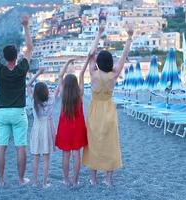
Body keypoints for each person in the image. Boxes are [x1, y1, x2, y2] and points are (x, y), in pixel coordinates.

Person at [82, 24, 134, 186]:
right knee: (110, 143)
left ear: (98, 61)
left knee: (93, 143)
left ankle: (92, 178)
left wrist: (98, 33)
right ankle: (108, 179)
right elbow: (124, 56)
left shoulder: (93, 73)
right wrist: (129, 38)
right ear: (110, 62)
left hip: (95, 110)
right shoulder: (113, 75)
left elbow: (91, 53)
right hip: (109, 110)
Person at [0, 14, 33, 187]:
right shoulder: (21, 69)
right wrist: (26, 26)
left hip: (2, 113)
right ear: (16, 57)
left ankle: (1, 180)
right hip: (19, 112)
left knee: (1, 146)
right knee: (20, 146)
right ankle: (21, 179)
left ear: (4, 57)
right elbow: (29, 47)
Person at [54, 56, 91, 187]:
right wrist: (87, 60)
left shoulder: (63, 93)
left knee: (65, 154)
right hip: (78, 128)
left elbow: (59, 76)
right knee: (76, 154)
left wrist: (67, 62)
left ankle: (65, 180)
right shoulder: (80, 93)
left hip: (65, 127)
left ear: (65, 84)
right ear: (75, 84)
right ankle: (75, 180)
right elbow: (81, 74)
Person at [26, 68, 56, 188]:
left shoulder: (34, 100)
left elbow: (28, 85)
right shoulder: (52, 99)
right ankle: (45, 183)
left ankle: (34, 182)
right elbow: (57, 89)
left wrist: (38, 73)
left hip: (37, 129)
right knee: (46, 159)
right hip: (47, 129)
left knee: (36, 158)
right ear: (46, 91)